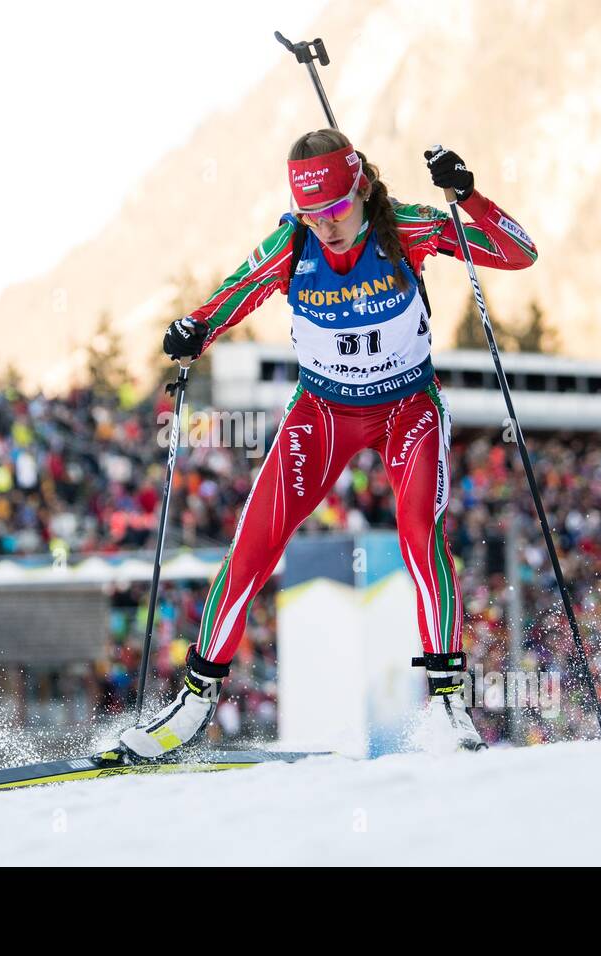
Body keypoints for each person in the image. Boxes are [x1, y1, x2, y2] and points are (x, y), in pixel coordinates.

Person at [120, 130, 538, 758]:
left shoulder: (406, 226)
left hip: (406, 408)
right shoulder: (293, 243)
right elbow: (238, 289)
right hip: (323, 411)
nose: (328, 227)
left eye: (338, 209)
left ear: (362, 190)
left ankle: (449, 707)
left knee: (418, 532)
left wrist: (467, 195)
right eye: (314, 215)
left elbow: (517, 252)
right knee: (255, 540)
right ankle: (194, 703)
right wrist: (196, 328)